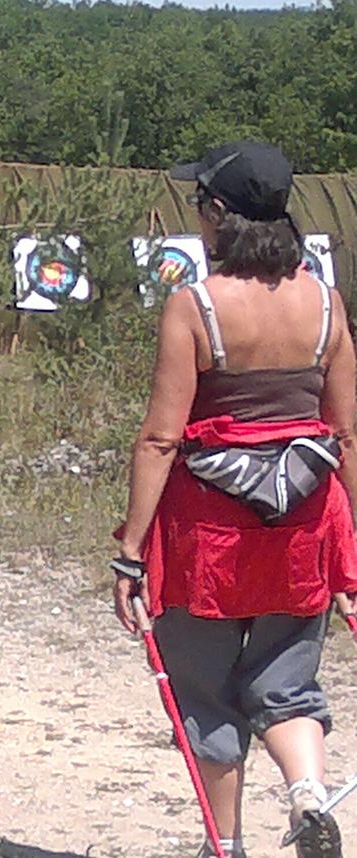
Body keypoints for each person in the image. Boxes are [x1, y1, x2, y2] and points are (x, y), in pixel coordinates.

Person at [113, 141, 357, 858]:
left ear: (218, 215)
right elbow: (345, 433)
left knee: (206, 690)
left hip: (208, 536)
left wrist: (130, 549)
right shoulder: (326, 305)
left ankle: (226, 844)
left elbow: (161, 438)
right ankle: (308, 791)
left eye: (200, 206)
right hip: (303, 525)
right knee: (287, 681)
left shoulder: (195, 306)